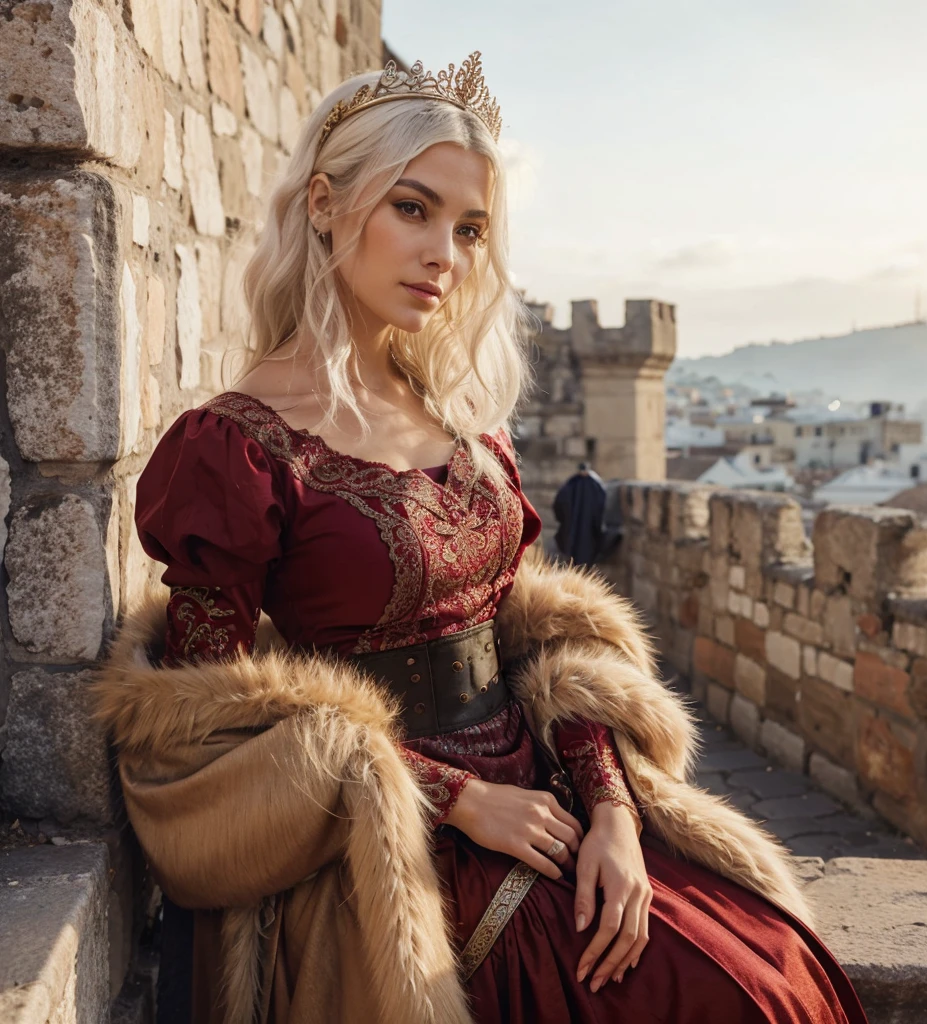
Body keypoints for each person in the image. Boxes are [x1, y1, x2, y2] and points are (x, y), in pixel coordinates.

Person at [94, 53, 868, 1024]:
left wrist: (613, 808)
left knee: (771, 960)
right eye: (412, 210)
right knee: (718, 995)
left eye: (469, 229)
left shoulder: (457, 418)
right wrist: (457, 798)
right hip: (392, 852)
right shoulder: (235, 448)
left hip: (548, 788)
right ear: (326, 205)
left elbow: (528, 630)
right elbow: (205, 729)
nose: (444, 256)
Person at [553, 462, 610, 566]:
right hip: (586, 530)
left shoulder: (571, 483)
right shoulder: (595, 485)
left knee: (574, 557)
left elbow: (558, 505)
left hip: (577, 529)